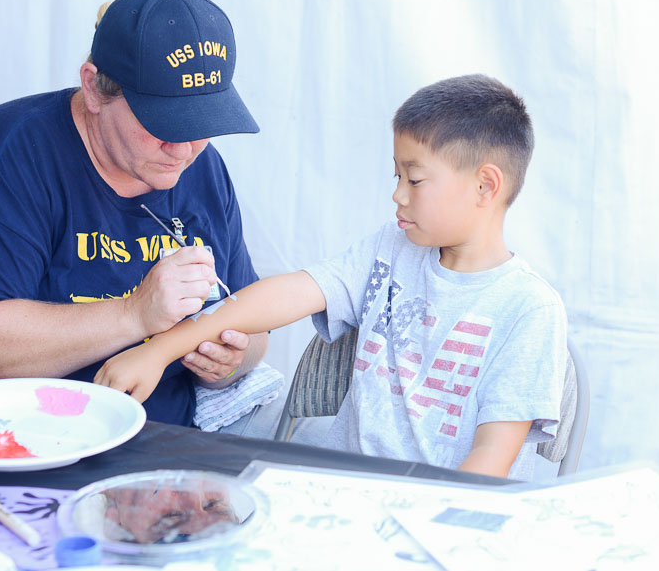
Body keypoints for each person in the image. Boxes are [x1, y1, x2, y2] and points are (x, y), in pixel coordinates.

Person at [95, 75, 566, 480]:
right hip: (349, 497)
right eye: (395, 175)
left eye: (415, 179)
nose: (398, 195)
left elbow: (490, 459)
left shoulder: (528, 310)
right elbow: (286, 293)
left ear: (485, 185)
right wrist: (157, 351)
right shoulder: (391, 249)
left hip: (439, 521)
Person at [0, 0, 269, 426]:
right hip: (18, 444)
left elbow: (254, 319)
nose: (182, 149)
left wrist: (229, 362)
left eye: (202, 123)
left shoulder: (201, 168)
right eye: (163, 122)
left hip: (164, 441)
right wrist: (134, 314)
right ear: (93, 89)